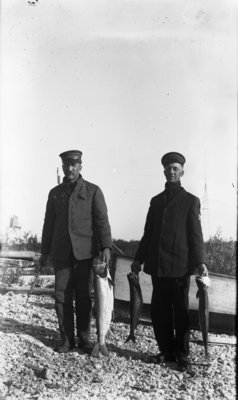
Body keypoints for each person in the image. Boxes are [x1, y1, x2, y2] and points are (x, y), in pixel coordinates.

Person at [131, 152, 208, 371]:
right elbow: (148, 234)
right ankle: (165, 351)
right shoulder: (156, 201)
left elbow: (196, 235)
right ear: (163, 171)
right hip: (157, 267)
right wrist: (138, 259)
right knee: (158, 311)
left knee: (181, 312)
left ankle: (182, 354)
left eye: (175, 168)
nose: (171, 171)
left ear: (182, 171)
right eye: (168, 168)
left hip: (180, 268)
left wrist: (200, 261)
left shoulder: (191, 201)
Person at [39, 150, 112, 353]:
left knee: (83, 296)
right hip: (61, 253)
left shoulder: (93, 191)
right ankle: (66, 339)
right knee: (61, 296)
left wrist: (105, 247)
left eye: (74, 165)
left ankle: (84, 338)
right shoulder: (55, 193)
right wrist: (44, 251)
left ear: (80, 166)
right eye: (66, 165)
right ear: (62, 167)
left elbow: (102, 222)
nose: (69, 169)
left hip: (85, 254)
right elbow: (48, 224)